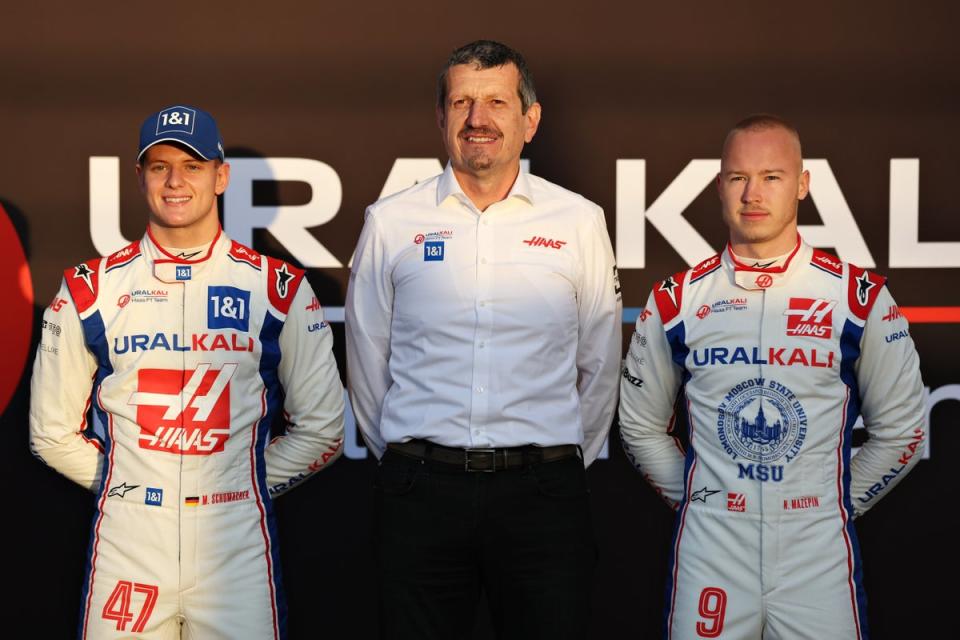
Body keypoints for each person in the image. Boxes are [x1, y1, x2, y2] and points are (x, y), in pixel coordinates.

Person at [30, 105, 345, 639]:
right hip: (130, 545)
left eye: (193, 165)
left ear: (221, 176)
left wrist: (240, 486)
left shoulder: (279, 289)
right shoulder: (89, 289)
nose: (175, 180)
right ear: (139, 177)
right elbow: (50, 433)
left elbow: (326, 429)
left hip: (235, 546)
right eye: (159, 166)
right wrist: (127, 487)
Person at [345, 40, 622, 639]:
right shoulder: (391, 221)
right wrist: (410, 460)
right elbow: (368, 361)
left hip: (543, 497)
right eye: (462, 102)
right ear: (441, 118)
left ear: (530, 119)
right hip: (421, 495)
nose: (478, 119)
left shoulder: (578, 220)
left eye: (496, 101)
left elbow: (599, 365)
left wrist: (558, 464)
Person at [619, 114, 925, 639]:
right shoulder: (676, 299)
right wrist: (702, 499)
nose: (752, 194)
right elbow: (639, 427)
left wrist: (833, 502)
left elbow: (905, 433)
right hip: (713, 548)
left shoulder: (857, 298)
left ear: (802, 185)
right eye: (738, 178)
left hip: (817, 551)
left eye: (772, 177)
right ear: (719, 186)